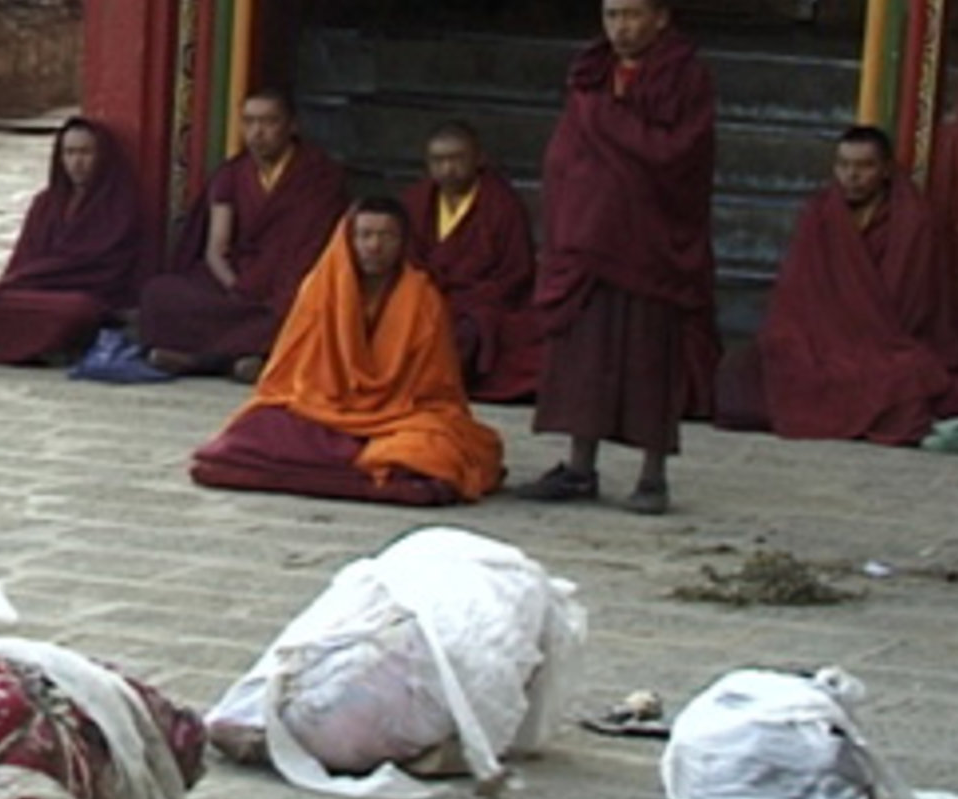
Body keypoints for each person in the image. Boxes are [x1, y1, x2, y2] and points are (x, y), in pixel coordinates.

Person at [516, 0, 716, 515]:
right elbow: (569, 152)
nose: (620, 28)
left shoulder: (684, 76)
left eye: (632, 15)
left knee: (648, 357)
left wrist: (610, 125)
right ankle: (580, 466)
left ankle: (654, 476)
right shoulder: (592, 73)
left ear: (662, 17)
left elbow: (681, 155)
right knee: (584, 356)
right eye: (611, 15)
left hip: (647, 242)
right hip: (587, 239)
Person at [190, 197, 505, 506]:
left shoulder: (423, 299)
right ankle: (370, 467)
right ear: (348, 239)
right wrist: (331, 404)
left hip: (397, 418)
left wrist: (382, 413)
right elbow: (289, 375)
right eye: (365, 235)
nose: (374, 246)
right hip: (324, 411)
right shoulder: (320, 289)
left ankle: (356, 463)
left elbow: (436, 391)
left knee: (437, 448)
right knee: (252, 430)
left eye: (386, 236)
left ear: (403, 243)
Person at [749, 126, 958, 445]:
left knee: (907, 377)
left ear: (887, 169)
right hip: (821, 338)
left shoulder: (912, 221)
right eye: (844, 165)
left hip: (884, 341)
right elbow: (797, 295)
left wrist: (860, 342)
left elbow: (911, 304)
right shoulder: (819, 214)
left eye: (864, 166)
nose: (852, 176)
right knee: (755, 369)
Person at [138, 88, 347, 382]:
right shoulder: (232, 174)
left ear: (293, 126)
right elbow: (216, 249)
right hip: (237, 282)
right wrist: (237, 286)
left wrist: (273, 290)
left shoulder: (319, 176)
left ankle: (201, 359)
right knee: (158, 293)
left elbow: (317, 250)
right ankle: (243, 359)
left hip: (289, 284)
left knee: (307, 311)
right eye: (249, 122)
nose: (257, 133)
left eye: (269, 122)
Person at [0, 117, 142, 364]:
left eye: (86, 153)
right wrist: (16, 283)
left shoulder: (120, 205)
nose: (77, 163)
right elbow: (24, 261)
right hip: (33, 292)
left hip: (88, 298)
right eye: (69, 153)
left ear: (103, 156)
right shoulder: (45, 203)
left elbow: (108, 269)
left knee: (77, 311)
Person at [401, 121, 540, 402]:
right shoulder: (416, 201)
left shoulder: (502, 204)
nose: (448, 169)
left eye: (457, 159)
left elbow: (516, 271)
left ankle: (435, 383)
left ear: (479, 159)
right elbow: (406, 258)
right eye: (438, 161)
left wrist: (469, 299)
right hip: (425, 294)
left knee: (470, 331)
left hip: (480, 301)